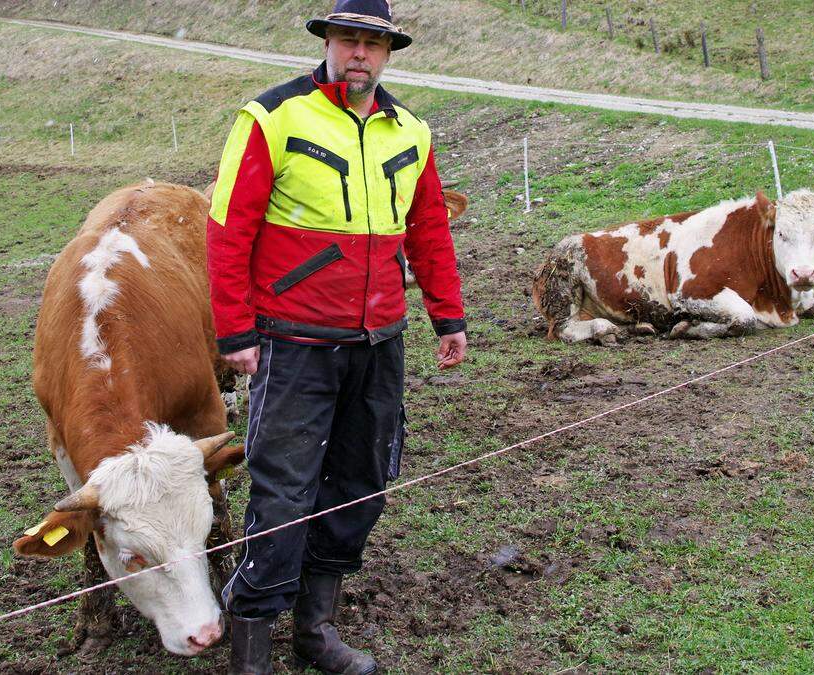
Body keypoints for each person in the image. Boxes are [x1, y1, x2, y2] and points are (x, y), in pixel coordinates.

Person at [206, 1, 468, 672]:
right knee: (284, 489)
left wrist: (449, 316)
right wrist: (235, 329)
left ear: (388, 53)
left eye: (372, 44)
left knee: (361, 481)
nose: (359, 53)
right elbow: (229, 227)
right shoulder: (272, 117)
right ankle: (253, 643)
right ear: (327, 42)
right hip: (293, 340)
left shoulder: (411, 132)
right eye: (348, 39)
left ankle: (315, 627)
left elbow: (429, 228)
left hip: (380, 341)